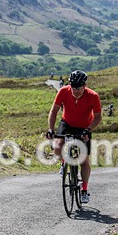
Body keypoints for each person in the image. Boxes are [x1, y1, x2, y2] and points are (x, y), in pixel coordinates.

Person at [46, 70, 102, 204]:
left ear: (84, 85)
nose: (75, 90)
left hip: (84, 127)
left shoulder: (93, 96)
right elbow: (53, 112)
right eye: (73, 87)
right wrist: (50, 129)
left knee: (84, 160)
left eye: (78, 87)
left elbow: (98, 117)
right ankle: (63, 163)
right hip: (67, 123)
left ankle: (84, 190)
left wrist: (88, 130)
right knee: (58, 147)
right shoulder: (63, 92)